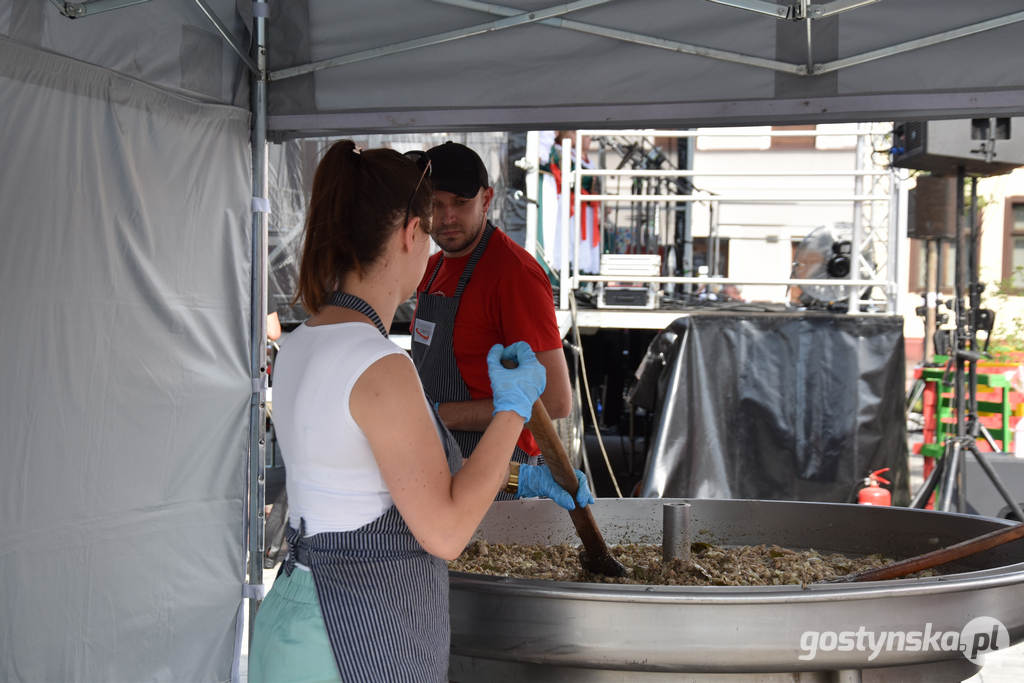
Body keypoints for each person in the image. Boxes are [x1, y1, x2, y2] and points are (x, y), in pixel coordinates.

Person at [248, 140, 594, 683]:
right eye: (429, 229)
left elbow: (368, 481)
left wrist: (519, 478)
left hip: (293, 618)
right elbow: (446, 534)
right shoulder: (380, 364)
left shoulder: (302, 343)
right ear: (411, 233)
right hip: (354, 638)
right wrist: (510, 410)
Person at [411, 142, 574, 494]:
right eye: (436, 205)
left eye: (460, 203)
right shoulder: (431, 269)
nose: (447, 217)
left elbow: (556, 401)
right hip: (439, 455)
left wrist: (443, 414)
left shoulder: (514, 275)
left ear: (487, 199)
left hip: (501, 469)